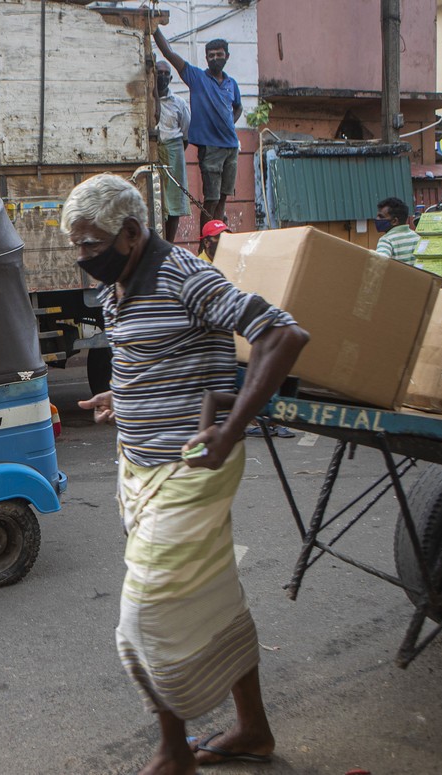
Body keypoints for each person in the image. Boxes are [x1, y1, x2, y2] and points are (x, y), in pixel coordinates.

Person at [63, 173, 308, 775]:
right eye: (77, 246)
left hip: (189, 468)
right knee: (213, 599)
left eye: (91, 245)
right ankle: (253, 729)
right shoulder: (122, 283)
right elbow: (161, 357)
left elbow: (283, 333)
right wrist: (119, 398)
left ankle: (175, 753)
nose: (82, 259)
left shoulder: (182, 275)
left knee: (144, 618)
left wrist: (230, 430)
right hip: (139, 467)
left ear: (130, 232)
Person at [153, 28, 242, 225]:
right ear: (206, 58)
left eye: (219, 55)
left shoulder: (231, 83)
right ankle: (206, 244)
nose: (215, 58)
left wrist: (228, 126)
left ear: (227, 56)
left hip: (231, 147)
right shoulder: (197, 78)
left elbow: (238, 107)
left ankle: (217, 240)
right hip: (210, 148)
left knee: (224, 197)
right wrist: (155, 30)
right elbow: (170, 53)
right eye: (211, 56)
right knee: (211, 199)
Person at [156, 60, 192, 242]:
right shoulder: (147, 99)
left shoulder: (179, 102)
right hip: (154, 152)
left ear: (170, 78)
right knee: (157, 199)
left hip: (174, 150)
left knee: (174, 201)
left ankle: (169, 243)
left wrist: (173, 153)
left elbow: (185, 133)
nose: (161, 76)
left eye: (165, 73)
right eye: (158, 72)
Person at [374, 196, 420, 266]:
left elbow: (379, 261)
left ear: (394, 221)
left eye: (381, 216)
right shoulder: (417, 237)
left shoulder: (386, 240)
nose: (377, 219)